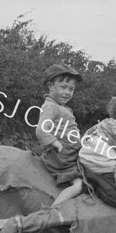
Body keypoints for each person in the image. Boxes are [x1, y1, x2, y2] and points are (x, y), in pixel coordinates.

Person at [36, 63, 84, 205]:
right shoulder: (51, 106)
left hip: (69, 152)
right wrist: (57, 145)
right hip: (63, 156)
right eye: (63, 87)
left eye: (71, 89)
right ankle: (53, 210)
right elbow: (41, 129)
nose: (67, 92)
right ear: (51, 86)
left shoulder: (61, 107)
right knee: (78, 185)